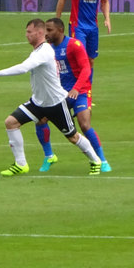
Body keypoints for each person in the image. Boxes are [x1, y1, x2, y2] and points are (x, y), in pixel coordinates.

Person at [0, 18, 102, 176]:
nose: (26, 35)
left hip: (56, 103)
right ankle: (21, 164)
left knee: (73, 137)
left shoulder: (45, 51)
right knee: (11, 123)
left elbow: (24, 67)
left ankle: (95, 161)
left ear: (39, 33)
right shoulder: (38, 51)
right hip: (38, 103)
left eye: (29, 32)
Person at [34, 18, 111, 173]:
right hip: (59, 93)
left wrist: (76, 89)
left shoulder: (74, 46)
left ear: (60, 30)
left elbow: (86, 69)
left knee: (84, 124)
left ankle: (102, 160)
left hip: (80, 90)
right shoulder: (46, 48)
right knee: (40, 119)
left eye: (50, 30)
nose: (46, 34)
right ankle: (49, 155)